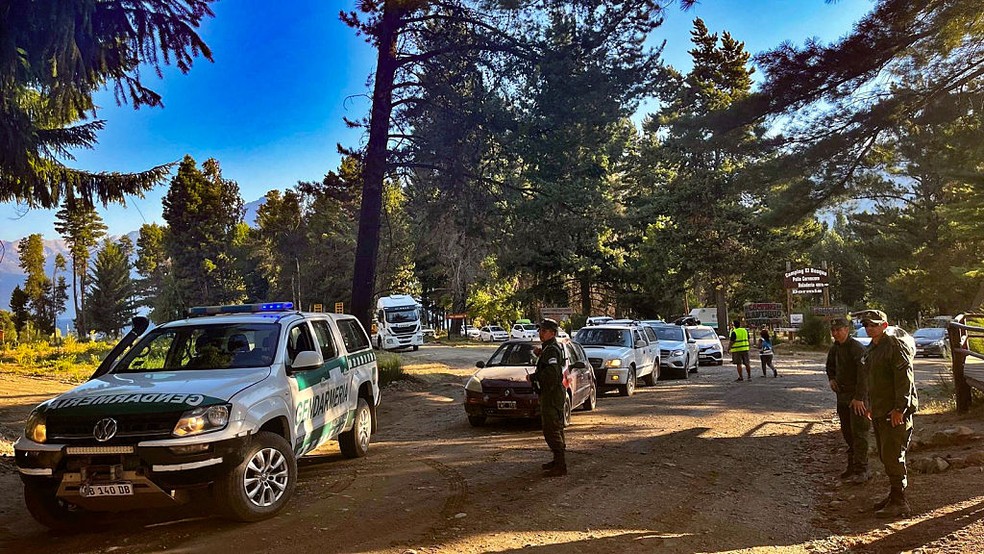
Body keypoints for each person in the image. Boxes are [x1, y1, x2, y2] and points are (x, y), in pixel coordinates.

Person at [852, 309, 918, 518]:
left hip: (895, 411)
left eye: (874, 324)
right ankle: (894, 495)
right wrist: (870, 404)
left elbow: (904, 380)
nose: (869, 328)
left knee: (893, 455)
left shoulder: (894, 346)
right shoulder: (872, 348)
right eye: (866, 325)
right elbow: (872, 380)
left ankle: (900, 501)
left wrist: (900, 409)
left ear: (884, 325)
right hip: (880, 410)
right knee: (884, 454)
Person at [825, 318, 870, 484]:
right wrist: (831, 379)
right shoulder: (835, 348)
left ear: (846, 329)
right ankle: (852, 466)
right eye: (833, 331)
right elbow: (830, 367)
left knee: (859, 433)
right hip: (842, 397)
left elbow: (864, 375)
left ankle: (862, 469)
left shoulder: (856, 348)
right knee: (847, 433)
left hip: (857, 398)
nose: (835, 333)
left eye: (838, 330)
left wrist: (859, 398)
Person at [531, 318, 568, 477]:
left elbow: (553, 374)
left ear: (552, 333)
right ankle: (557, 460)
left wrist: (535, 377)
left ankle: (560, 465)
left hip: (551, 394)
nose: (541, 333)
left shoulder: (552, 349)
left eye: (544, 331)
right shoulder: (549, 348)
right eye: (540, 330)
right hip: (551, 393)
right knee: (554, 427)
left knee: (552, 428)